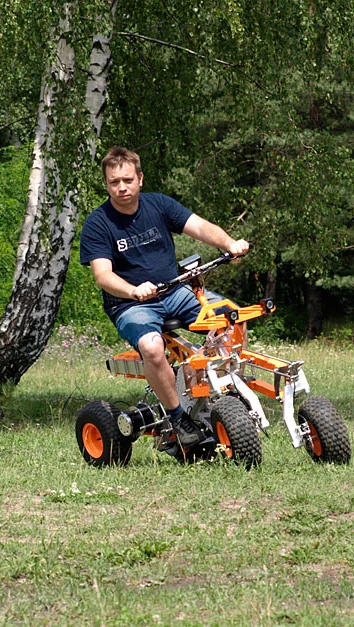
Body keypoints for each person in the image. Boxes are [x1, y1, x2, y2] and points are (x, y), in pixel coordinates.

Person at [79, 147, 249, 448]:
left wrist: (229, 243)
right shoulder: (97, 223)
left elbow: (200, 227)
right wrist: (133, 290)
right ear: (106, 184)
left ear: (140, 179)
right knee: (152, 348)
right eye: (114, 181)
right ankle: (178, 418)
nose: (122, 187)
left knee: (233, 316)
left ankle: (229, 394)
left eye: (128, 180)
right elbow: (103, 276)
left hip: (175, 292)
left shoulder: (158, 205)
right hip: (130, 305)